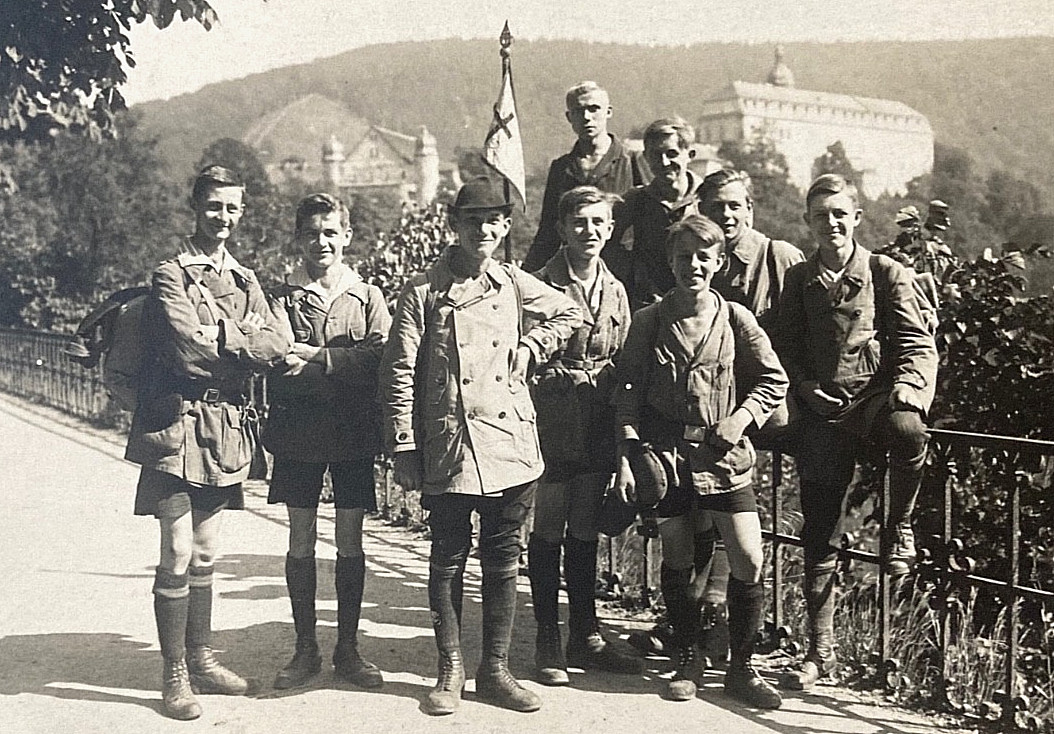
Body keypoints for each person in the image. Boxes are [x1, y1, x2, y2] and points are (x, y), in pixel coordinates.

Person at [380, 176, 582, 715]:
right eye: (473, 220)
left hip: (510, 441)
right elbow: (400, 371)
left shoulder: (512, 283)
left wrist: (533, 346)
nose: (484, 230)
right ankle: (450, 669)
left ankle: (495, 670)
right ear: (455, 225)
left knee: (503, 557)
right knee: (447, 556)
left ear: (506, 226)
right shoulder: (424, 291)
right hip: (450, 441)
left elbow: (571, 312)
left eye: (495, 220)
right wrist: (403, 444)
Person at [124, 165, 291, 720]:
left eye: (233, 208)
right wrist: (241, 339)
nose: (224, 217)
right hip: (172, 426)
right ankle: (174, 674)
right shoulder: (169, 274)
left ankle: (201, 657)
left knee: (207, 550)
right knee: (174, 552)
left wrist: (226, 337)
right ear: (195, 207)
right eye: (215, 206)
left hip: (223, 429)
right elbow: (186, 349)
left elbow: (279, 343)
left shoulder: (246, 280)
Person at [611, 214, 788, 709]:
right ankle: (687, 657)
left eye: (703, 257)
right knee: (680, 559)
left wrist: (742, 418)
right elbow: (626, 395)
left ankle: (741, 667)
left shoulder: (735, 318)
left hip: (725, 457)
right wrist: (627, 455)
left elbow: (773, 380)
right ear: (670, 262)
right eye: (683, 256)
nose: (693, 265)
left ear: (719, 262)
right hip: (667, 460)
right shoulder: (649, 320)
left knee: (749, 557)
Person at [774, 174, 937, 690]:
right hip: (824, 412)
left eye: (840, 214)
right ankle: (817, 653)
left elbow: (917, 343)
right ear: (809, 223)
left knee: (910, 431)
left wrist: (909, 385)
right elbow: (784, 348)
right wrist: (801, 388)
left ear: (857, 217)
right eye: (821, 215)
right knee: (819, 530)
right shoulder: (799, 280)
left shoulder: (886, 273)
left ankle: (898, 527)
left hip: (873, 402)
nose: (832, 223)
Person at [263, 193, 392, 691]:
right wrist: (339, 362)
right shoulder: (283, 296)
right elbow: (276, 355)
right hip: (297, 432)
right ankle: (304, 650)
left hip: (353, 433)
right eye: (313, 233)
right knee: (300, 537)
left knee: (350, 538)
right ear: (300, 238)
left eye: (331, 232)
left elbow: (379, 357)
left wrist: (314, 355)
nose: (322, 242)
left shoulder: (366, 296)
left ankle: (349, 650)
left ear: (347, 236)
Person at [526, 186, 641, 686]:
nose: (589, 231)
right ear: (561, 228)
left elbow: (625, 360)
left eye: (599, 222)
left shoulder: (615, 288)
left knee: (586, 526)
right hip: (554, 417)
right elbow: (523, 358)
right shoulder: (538, 285)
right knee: (550, 523)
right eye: (579, 222)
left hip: (599, 416)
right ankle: (548, 637)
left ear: (610, 230)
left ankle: (586, 633)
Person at [521, 81, 648, 272]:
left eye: (594, 108)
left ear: (608, 112)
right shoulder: (561, 168)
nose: (587, 117)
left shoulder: (632, 161)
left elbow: (650, 224)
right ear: (569, 117)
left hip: (623, 273)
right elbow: (549, 231)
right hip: (574, 272)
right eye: (578, 111)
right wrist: (524, 279)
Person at [603, 117, 701, 311]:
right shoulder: (635, 200)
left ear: (690, 155)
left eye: (672, 154)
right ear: (645, 158)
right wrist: (635, 276)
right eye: (656, 155)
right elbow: (606, 244)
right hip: (650, 307)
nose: (664, 162)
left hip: (700, 303)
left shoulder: (707, 198)